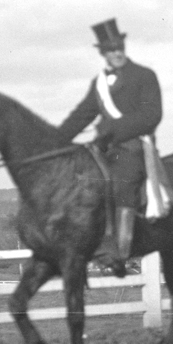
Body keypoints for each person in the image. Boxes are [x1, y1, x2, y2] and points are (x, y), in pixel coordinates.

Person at [58, 18, 163, 275]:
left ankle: (120, 250)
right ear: (103, 53)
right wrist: (55, 140)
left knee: (121, 181)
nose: (116, 53)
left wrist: (113, 130)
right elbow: (82, 115)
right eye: (110, 49)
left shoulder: (144, 76)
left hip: (133, 146)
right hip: (104, 148)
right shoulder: (100, 83)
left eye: (119, 48)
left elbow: (152, 115)